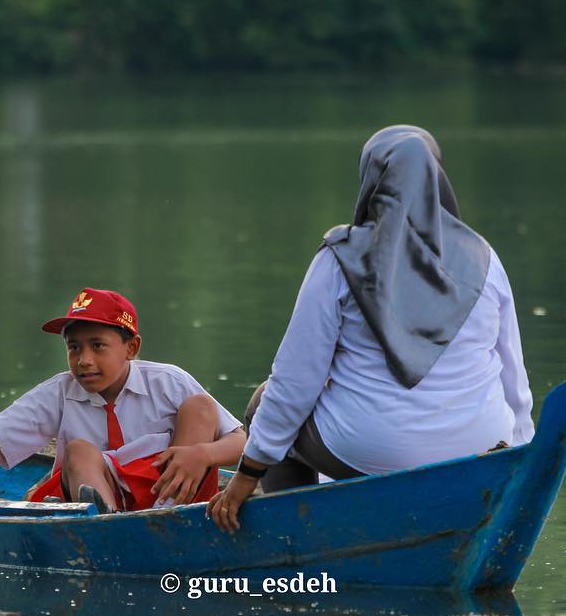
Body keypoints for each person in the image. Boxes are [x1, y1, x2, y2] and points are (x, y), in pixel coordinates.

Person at [209, 125, 534, 533]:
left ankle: (300, 536)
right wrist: (521, 457)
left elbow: (294, 384)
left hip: (371, 450)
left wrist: (246, 476)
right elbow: (513, 377)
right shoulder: (485, 258)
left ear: (370, 183)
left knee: (263, 404)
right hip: (482, 447)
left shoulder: (339, 258)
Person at [0, 288, 246, 513]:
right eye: (74, 348)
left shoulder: (168, 382)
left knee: (199, 408)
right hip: (101, 502)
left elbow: (244, 442)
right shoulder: (61, 392)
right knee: (79, 451)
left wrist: (205, 454)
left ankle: (172, 520)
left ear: (131, 348)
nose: (84, 360)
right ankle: (109, 530)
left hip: (169, 495)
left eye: (98, 347)